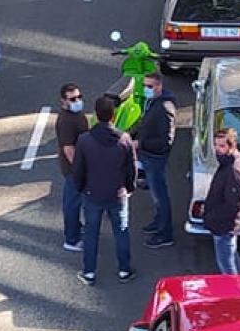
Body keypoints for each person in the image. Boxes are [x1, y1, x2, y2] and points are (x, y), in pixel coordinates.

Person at [71, 94, 136, 285]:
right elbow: (131, 168)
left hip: (92, 194)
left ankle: (89, 272)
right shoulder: (124, 139)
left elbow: (78, 169)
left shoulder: (84, 140)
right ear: (113, 116)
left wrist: (81, 187)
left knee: (91, 233)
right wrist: (128, 188)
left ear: (96, 115)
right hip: (117, 194)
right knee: (121, 231)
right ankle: (124, 270)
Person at [131, 72, 176, 249]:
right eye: (145, 86)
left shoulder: (164, 108)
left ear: (160, 86)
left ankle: (165, 234)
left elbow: (166, 141)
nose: (146, 89)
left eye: (150, 86)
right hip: (148, 155)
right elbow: (145, 123)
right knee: (156, 195)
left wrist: (139, 143)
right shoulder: (153, 102)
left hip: (155, 158)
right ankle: (159, 222)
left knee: (160, 196)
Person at [202, 127, 240, 274]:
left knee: (227, 267)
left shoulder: (233, 170)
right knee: (232, 257)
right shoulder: (230, 162)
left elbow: (232, 206)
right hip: (225, 224)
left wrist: (211, 215)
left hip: (224, 226)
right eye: (216, 145)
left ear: (231, 146)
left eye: (222, 146)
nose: (217, 149)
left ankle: (235, 294)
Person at [55, 83, 90, 253]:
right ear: (63, 101)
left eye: (79, 97)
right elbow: (68, 149)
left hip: (76, 167)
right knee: (72, 203)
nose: (78, 101)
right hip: (74, 169)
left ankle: (76, 227)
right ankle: (71, 238)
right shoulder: (66, 121)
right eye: (73, 99)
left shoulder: (75, 114)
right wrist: (80, 169)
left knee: (74, 201)